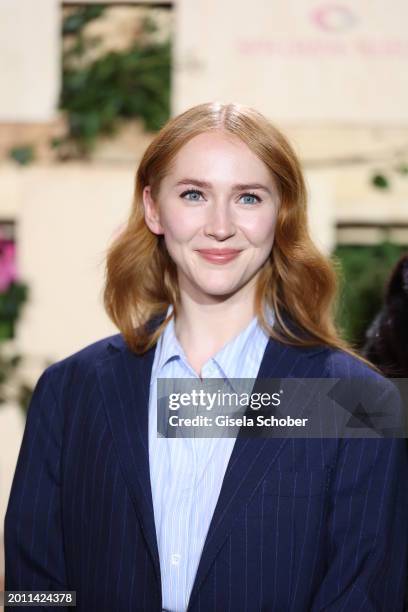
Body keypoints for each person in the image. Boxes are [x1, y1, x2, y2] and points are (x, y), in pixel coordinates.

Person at [4, 102, 408, 612]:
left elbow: (364, 597)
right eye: (194, 194)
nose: (220, 226)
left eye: (248, 197)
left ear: (280, 213)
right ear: (153, 208)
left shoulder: (357, 404)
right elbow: (35, 592)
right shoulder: (69, 392)